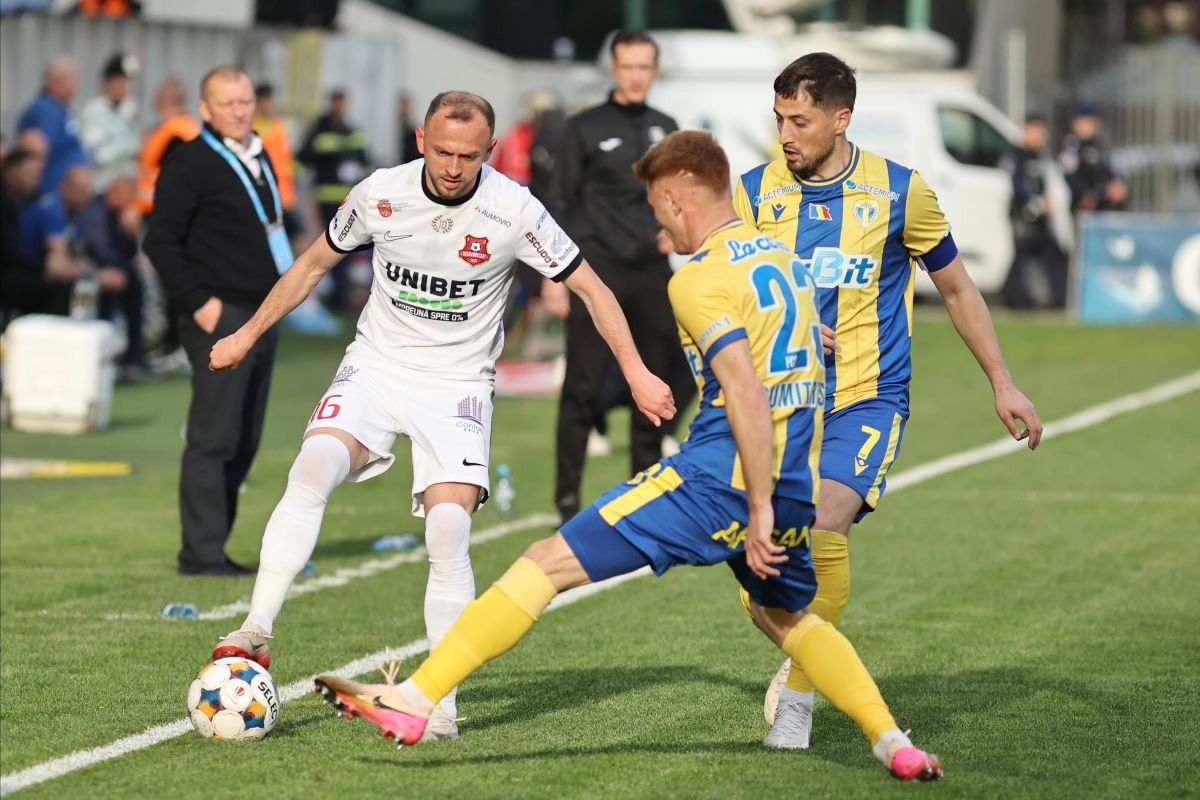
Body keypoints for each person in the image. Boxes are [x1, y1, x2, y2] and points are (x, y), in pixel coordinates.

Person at [311, 131, 944, 782]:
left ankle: (415, 701)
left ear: (678, 197)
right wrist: (771, 501)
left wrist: (753, 508)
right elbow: (800, 365)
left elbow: (746, 391)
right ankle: (892, 742)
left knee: (544, 563)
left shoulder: (697, 279)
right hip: (789, 482)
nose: (658, 230)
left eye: (656, 209)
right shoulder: (789, 265)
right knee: (785, 618)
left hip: (718, 480)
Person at [204, 91, 674, 741]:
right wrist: (247, 334)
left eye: (469, 156)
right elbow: (312, 265)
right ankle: (256, 629)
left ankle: (439, 706)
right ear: (422, 139)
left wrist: (638, 372)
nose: (454, 167)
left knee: (448, 530)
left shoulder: (514, 208)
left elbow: (591, 288)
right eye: (444, 151)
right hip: (376, 364)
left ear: (490, 150)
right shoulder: (380, 193)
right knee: (312, 466)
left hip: (456, 384)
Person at [731, 53, 1043, 749]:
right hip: (781, 402)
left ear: (842, 118)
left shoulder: (901, 191)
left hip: (867, 397)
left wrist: (1002, 382)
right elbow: (727, 294)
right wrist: (780, 325)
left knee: (824, 526)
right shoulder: (753, 193)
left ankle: (798, 701)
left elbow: (957, 289)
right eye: (779, 119)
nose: (785, 134)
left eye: (800, 121)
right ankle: (806, 648)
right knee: (760, 573)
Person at [143, 66, 290, 577]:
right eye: (227, 103)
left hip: (262, 311)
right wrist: (198, 302)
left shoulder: (258, 153)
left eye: (245, 100)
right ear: (204, 109)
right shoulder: (189, 160)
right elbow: (159, 240)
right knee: (215, 435)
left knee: (245, 436)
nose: (239, 110)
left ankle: (215, 546)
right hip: (220, 313)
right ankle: (201, 553)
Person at [543, 29, 687, 524]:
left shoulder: (667, 127)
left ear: (656, 70)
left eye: (645, 67)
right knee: (581, 388)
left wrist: (676, 230)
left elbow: (678, 195)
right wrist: (554, 277)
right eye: (628, 67)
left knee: (656, 385)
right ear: (614, 68)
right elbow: (558, 202)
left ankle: (642, 498)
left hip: (651, 273)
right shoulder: (583, 127)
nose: (636, 76)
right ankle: (567, 502)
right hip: (596, 273)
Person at [297, 88, 369, 309]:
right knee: (334, 244)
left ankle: (341, 296)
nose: (339, 107)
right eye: (336, 102)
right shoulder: (319, 130)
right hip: (327, 198)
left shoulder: (352, 131)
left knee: (348, 246)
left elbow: (365, 161)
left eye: (342, 102)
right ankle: (336, 296)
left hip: (349, 198)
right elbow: (303, 158)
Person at [77, 175, 148, 377]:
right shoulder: (96, 211)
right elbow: (99, 249)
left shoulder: (120, 214)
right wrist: (124, 266)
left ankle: (134, 356)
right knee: (115, 287)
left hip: (116, 270)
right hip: (91, 271)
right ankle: (104, 355)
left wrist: (130, 230)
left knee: (134, 286)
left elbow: (130, 252)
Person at [1000, 114, 1068, 309]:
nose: (1039, 136)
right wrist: (1037, 202)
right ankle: (1016, 301)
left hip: (1041, 218)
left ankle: (1059, 301)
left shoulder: (1041, 157)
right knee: (1020, 256)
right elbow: (1015, 187)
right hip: (1022, 215)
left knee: (1052, 254)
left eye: (1041, 132)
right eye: (1035, 130)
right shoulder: (1015, 156)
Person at [17, 164, 95, 316]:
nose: (85, 197)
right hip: (26, 273)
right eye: (81, 191)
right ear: (65, 186)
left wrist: (94, 272)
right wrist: (98, 277)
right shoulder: (50, 210)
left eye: (87, 191)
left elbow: (79, 254)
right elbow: (57, 266)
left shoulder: (76, 215)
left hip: (42, 274)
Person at [18, 58, 89, 198]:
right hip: (50, 196)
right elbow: (38, 152)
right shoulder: (46, 111)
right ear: (59, 80)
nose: (77, 85)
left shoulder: (58, 109)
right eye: (74, 79)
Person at [134, 77, 201, 215]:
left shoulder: (177, 133)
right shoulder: (184, 127)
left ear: (166, 99)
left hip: (160, 207)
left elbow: (174, 176)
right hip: (157, 205)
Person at [1, 147, 51, 325]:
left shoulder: (16, 203)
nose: (36, 180)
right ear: (12, 171)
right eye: (31, 174)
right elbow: (8, 253)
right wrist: (44, 267)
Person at [79, 53, 140, 191]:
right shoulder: (94, 112)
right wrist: (134, 146)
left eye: (128, 82)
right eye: (121, 82)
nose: (125, 87)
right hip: (103, 190)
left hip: (126, 191)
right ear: (107, 82)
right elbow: (99, 155)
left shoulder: (126, 110)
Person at [1059, 104, 1127, 215]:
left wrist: (1114, 184)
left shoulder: (1099, 146)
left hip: (1099, 204)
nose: (1091, 126)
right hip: (1079, 208)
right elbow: (1069, 176)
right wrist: (1083, 194)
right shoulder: (1071, 146)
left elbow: (1106, 170)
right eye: (1088, 122)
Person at [253, 83, 301, 238]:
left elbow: (287, 159)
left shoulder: (280, 126)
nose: (267, 105)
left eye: (269, 100)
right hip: (266, 192)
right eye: (264, 100)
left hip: (284, 194)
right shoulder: (253, 127)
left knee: (295, 237)